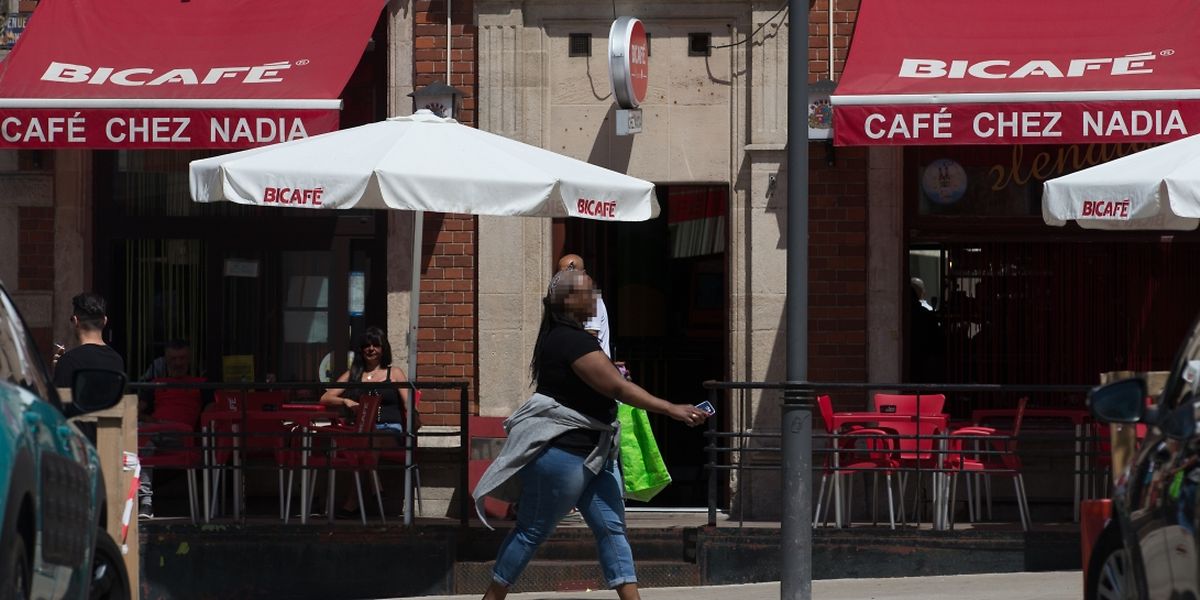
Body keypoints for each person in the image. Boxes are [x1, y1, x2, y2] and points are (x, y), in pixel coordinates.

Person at [472, 269, 709, 600]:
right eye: (588, 293)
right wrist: (672, 408)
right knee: (530, 532)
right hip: (563, 458)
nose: (595, 298)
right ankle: (492, 597)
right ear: (569, 301)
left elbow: (605, 380)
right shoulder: (571, 341)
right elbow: (616, 387)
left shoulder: (566, 338)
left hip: (596, 457)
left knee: (612, 531)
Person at [320, 326, 412, 518]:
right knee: (365, 443)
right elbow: (325, 397)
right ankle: (375, 489)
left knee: (368, 441)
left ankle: (352, 503)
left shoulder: (394, 373)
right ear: (361, 350)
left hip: (390, 431)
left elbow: (409, 403)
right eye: (366, 345)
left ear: (383, 349)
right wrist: (345, 400)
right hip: (362, 431)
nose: (371, 349)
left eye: (375, 345)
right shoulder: (353, 375)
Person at [137, 339, 206, 519]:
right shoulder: (156, 384)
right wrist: (148, 420)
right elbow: (136, 410)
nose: (178, 363)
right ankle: (145, 504)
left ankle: (144, 503)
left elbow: (211, 411)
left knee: (144, 438)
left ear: (189, 359)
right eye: (173, 359)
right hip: (156, 433)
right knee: (142, 440)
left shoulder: (201, 383)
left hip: (184, 439)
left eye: (182, 358)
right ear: (166, 360)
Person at [52, 292, 125, 388]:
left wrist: (59, 367)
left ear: (75, 320)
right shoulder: (117, 360)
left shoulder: (68, 361)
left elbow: (58, 399)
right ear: (105, 321)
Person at [558, 254, 610, 358]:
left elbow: (590, 337)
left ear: (583, 274)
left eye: (570, 273)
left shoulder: (590, 297)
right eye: (561, 274)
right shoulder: (567, 298)